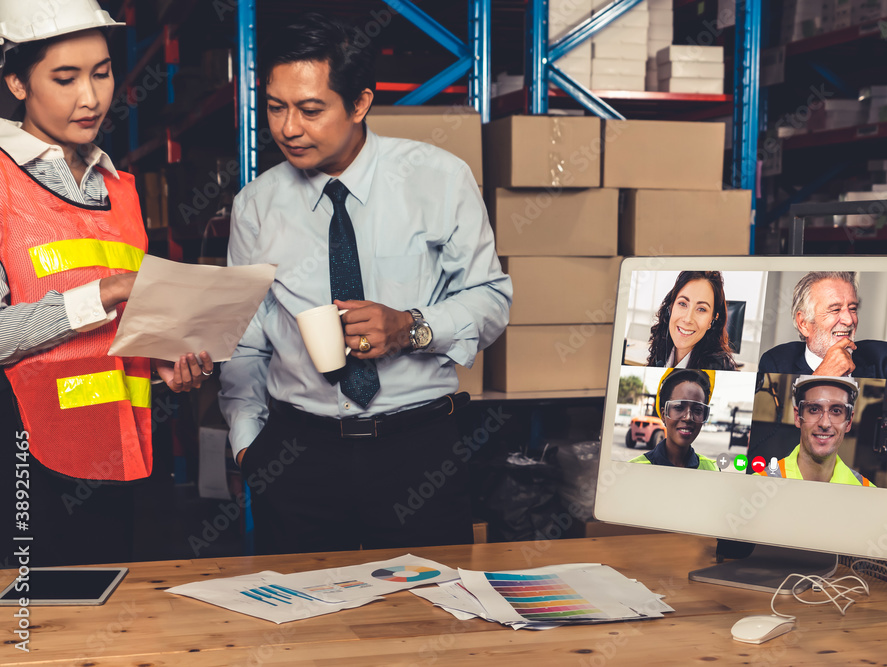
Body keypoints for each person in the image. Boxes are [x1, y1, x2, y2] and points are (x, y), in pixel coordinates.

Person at [219, 14, 512, 555]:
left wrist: (411, 328)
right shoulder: (255, 206)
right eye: (275, 107)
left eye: (310, 110)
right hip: (296, 457)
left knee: (430, 621)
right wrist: (246, 444)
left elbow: (492, 299)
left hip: (416, 453)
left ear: (359, 104)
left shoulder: (439, 178)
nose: (288, 128)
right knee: (302, 627)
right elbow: (244, 341)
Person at [0, 0, 212, 567]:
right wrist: (107, 292)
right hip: (25, 458)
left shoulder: (120, 187)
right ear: (17, 81)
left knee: (121, 630)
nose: (90, 97)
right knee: (40, 636)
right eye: (65, 78)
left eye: (101, 72)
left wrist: (165, 358)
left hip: (125, 454)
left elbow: (123, 328)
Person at [759, 271, 887, 380]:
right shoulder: (775, 363)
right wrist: (820, 377)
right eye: (835, 309)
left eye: (852, 309)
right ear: (803, 324)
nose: (849, 320)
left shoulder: (886, 358)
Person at [756, 375, 875, 486]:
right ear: (797, 417)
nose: (825, 423)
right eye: (814, 409)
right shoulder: (760, 484)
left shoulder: (867, 493)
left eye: (836, 411)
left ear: (848, 422)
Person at [647, 271, 737, 370]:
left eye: (701, 309)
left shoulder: (720, 372)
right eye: (682, 304)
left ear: (713, 319)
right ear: (671, 307)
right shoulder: (661, 353)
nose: (688, 319)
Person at [631, 368, 718, 470]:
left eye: (697, 410)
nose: (688, 418)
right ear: (664, 415)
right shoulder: (634, 468)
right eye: (679, 408)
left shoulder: (712, 468)